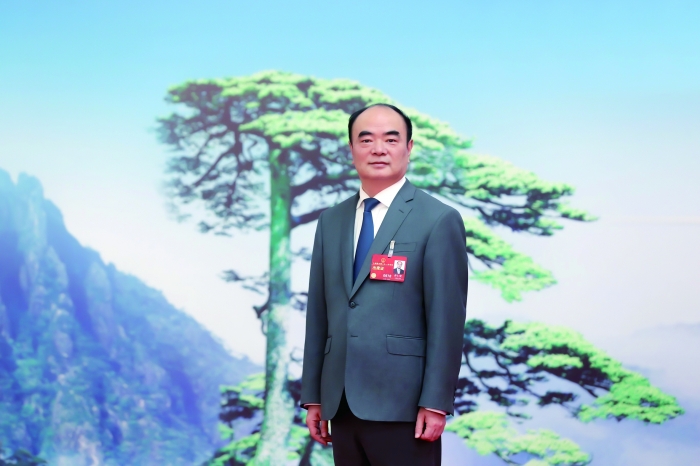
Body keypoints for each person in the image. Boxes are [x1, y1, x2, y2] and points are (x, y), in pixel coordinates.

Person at [301, 104, 469, 466]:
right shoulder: (331, 221)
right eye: (366, 140)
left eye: (391, 139)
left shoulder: (438, 219)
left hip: (405, 405)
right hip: (340, 403)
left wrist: (436, 401)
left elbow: (447, 320)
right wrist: (314, 395)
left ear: (409, 148)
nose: (378, 149)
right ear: (351, 149)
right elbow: (319, 313)